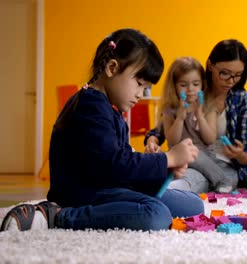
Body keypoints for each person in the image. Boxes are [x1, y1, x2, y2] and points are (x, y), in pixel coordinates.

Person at [0, 28, 204, 232]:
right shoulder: (90, 106)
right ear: (112, 68)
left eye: (146, 88)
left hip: (108, 185)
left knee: (193, 204)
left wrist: (165, 170)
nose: (141, 94)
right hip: (83, 193)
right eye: (139, 84)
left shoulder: (109, 108)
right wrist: (168, 158)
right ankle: (59, 216)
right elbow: (116, 164)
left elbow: (121, 165)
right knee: (155, 214)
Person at [168, 39, 247, 193]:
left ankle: (179, 190)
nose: (230, 81)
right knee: (187, 174)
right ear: (210, 65)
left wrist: (239, 154)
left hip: (224, 166)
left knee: (191, 180)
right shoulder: (196, 89)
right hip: (190, 159)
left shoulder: (243, 100)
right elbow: (168, 123)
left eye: (237, 75)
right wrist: (153, 139)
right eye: (224, 73)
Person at [158, 57, 232, 193]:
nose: (190, 90)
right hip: (180, 160)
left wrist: (199, 115)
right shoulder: (170, 109)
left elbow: (209, 138)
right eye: (183, 85)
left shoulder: (208, 107)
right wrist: (180, 118)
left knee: (192, 153)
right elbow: (173, 141)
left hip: (204, 159)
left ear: (202, 84)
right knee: (188, 175)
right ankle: (177, 188)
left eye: (195, 84)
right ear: (174, 86)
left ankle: (222, 179)